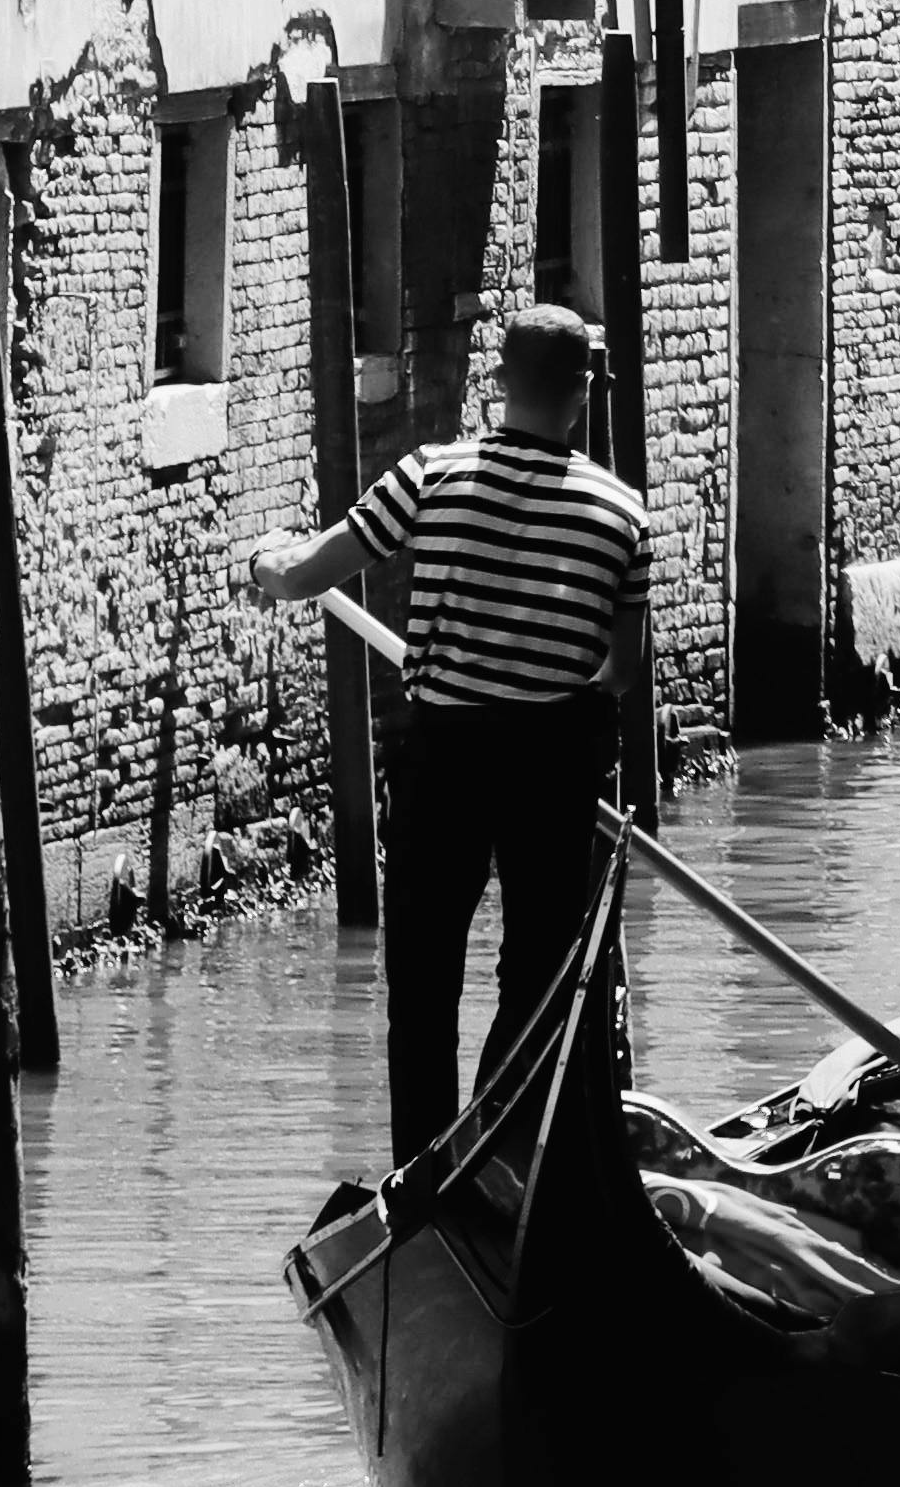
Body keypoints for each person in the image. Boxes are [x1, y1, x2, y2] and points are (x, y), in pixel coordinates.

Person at [248, 306, 654, 1164]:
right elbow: (619, 670)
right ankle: (493, 1147)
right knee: (539, 976)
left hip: (445, 759)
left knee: (424, 981)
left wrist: (264, 564)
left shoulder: (431, 475)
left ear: (499, 383)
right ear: (581, 396)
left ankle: (425, 1169)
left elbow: (308, 573)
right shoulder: (623, 515)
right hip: (552, 766)